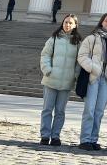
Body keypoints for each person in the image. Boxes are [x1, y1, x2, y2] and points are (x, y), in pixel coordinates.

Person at [77, 12, 107, 150]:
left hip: (106, 79)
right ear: (101, 22)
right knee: (89, 109)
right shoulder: (91, 38)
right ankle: (85, 139)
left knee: (99, 111)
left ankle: (94, 139)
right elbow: (82, 56)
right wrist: (94, 69)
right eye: (106, 20)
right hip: (93, 77)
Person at [39, 14, 82, 146]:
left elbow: (79, 62)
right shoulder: (54, 38)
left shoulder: (78, 42)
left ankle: (56, 136)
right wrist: (47, 70)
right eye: (65, 22)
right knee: (47, 109)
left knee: (60, 111)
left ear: (75, 25)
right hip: (51, 80)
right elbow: (45, 54)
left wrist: (75, 75)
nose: (67, 25)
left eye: (70, 23)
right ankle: (45, 136)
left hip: (66, 82)